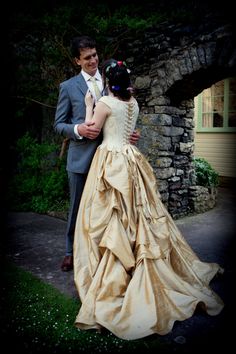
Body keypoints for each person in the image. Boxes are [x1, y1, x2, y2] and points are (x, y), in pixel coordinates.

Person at [73, 59, 224, 340]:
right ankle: (136, 255)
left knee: (114, 214)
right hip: (130, 158)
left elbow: (92, 128)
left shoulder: (105, 102)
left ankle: (118, 269)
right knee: (138, 210)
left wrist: (89, 105)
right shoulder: (133, 103)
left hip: (110, 158)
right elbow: (128, 132)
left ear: (108, 80)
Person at [54, 37, 140, 272]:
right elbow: (59, 124)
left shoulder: (112, 79)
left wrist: (130, 134)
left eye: (94, 54)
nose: (93, 60)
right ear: (77, 61)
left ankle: (104, 253)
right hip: (81, 159)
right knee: (77, 208)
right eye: (87, 57)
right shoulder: (68, 87)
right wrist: (78, 129)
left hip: (111, 161)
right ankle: (71, 252)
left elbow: (122, 113)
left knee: (110, 211)